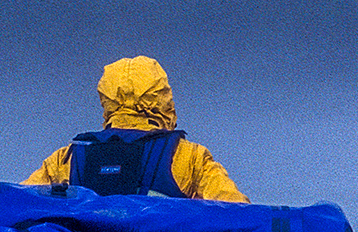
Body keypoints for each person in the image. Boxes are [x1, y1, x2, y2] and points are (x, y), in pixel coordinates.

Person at [24, 55, 247, 201]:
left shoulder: (66, 159)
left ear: (107, 99)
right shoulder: (189, 157)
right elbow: (237, 213)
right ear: (163, 98)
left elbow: (16, 202)